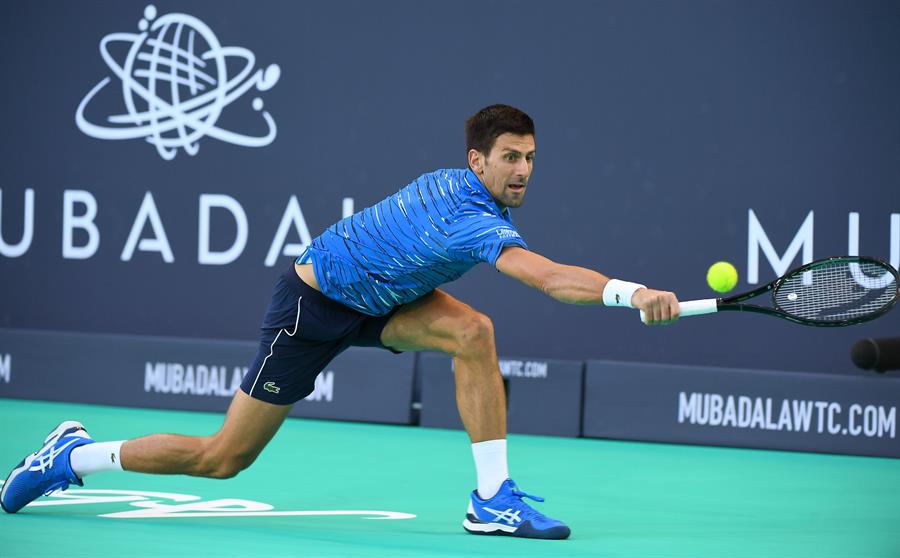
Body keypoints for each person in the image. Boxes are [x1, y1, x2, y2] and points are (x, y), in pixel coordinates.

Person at [1, 104, 680, 539]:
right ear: (478, 160)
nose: (524, 170)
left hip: (379, 300)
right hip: (312, 308)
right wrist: (631, 291)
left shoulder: (465, 191)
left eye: (531, 158)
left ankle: (493, 497)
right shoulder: (469, 216)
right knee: (224, 458)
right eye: (511, 157)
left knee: (473, 332)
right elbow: (549, 279)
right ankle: (74, 455)